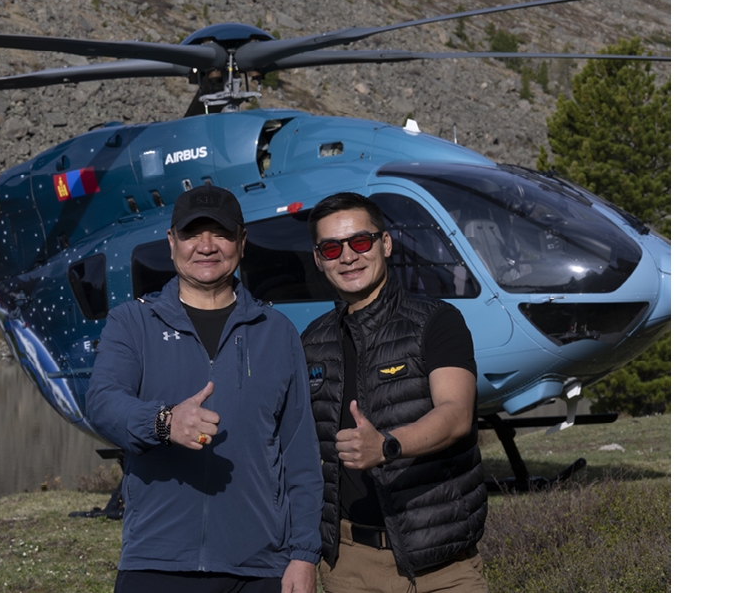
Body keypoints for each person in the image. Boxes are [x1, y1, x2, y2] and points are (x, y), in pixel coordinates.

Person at [87, 184, 323, 593]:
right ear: (172, 242)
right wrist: (163, 422)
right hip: (156, 562)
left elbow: (300, 456)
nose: (207, 245)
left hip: (259, 568)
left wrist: (304, 554)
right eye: (192, 233)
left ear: (242, 242)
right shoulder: (132, 323)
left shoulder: (277, 331)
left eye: (222, 233)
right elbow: (103, 403)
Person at [300, 192, 488, 592]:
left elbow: (456, 415)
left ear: (385, 243)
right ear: (318, 259)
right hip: (349, 568)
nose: (347, 257)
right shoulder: (312, 341)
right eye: (331, 248)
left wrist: (387, 445)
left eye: (360, 241)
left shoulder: (436, 322)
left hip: (440, 567)